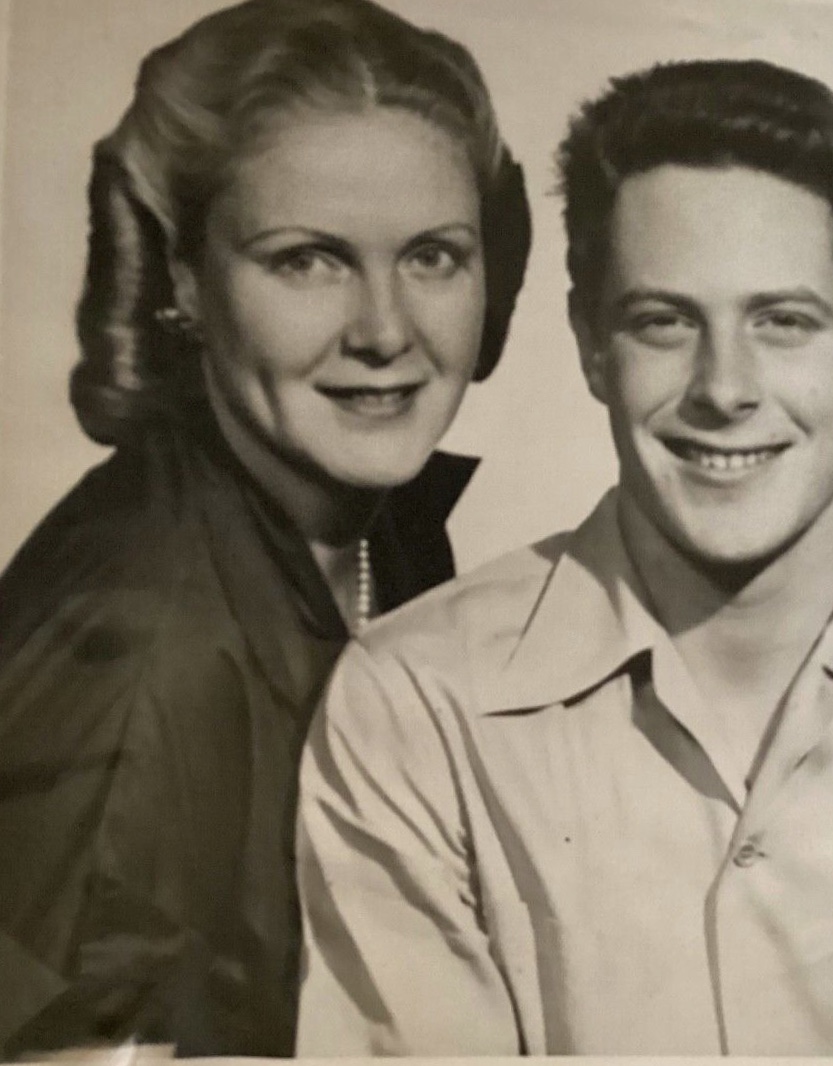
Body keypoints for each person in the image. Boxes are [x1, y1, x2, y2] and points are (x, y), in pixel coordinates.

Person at [296, 58, 833, 1059]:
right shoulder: (412, 708)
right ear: (590, 345)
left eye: (784, 322)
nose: (725, 389)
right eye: (664, 323)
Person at [0, 0, 530, 1055]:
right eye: (307, 260)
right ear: (185, 278)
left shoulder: (374, 530)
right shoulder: (140, 652)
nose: (385, 331)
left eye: (432, 256)